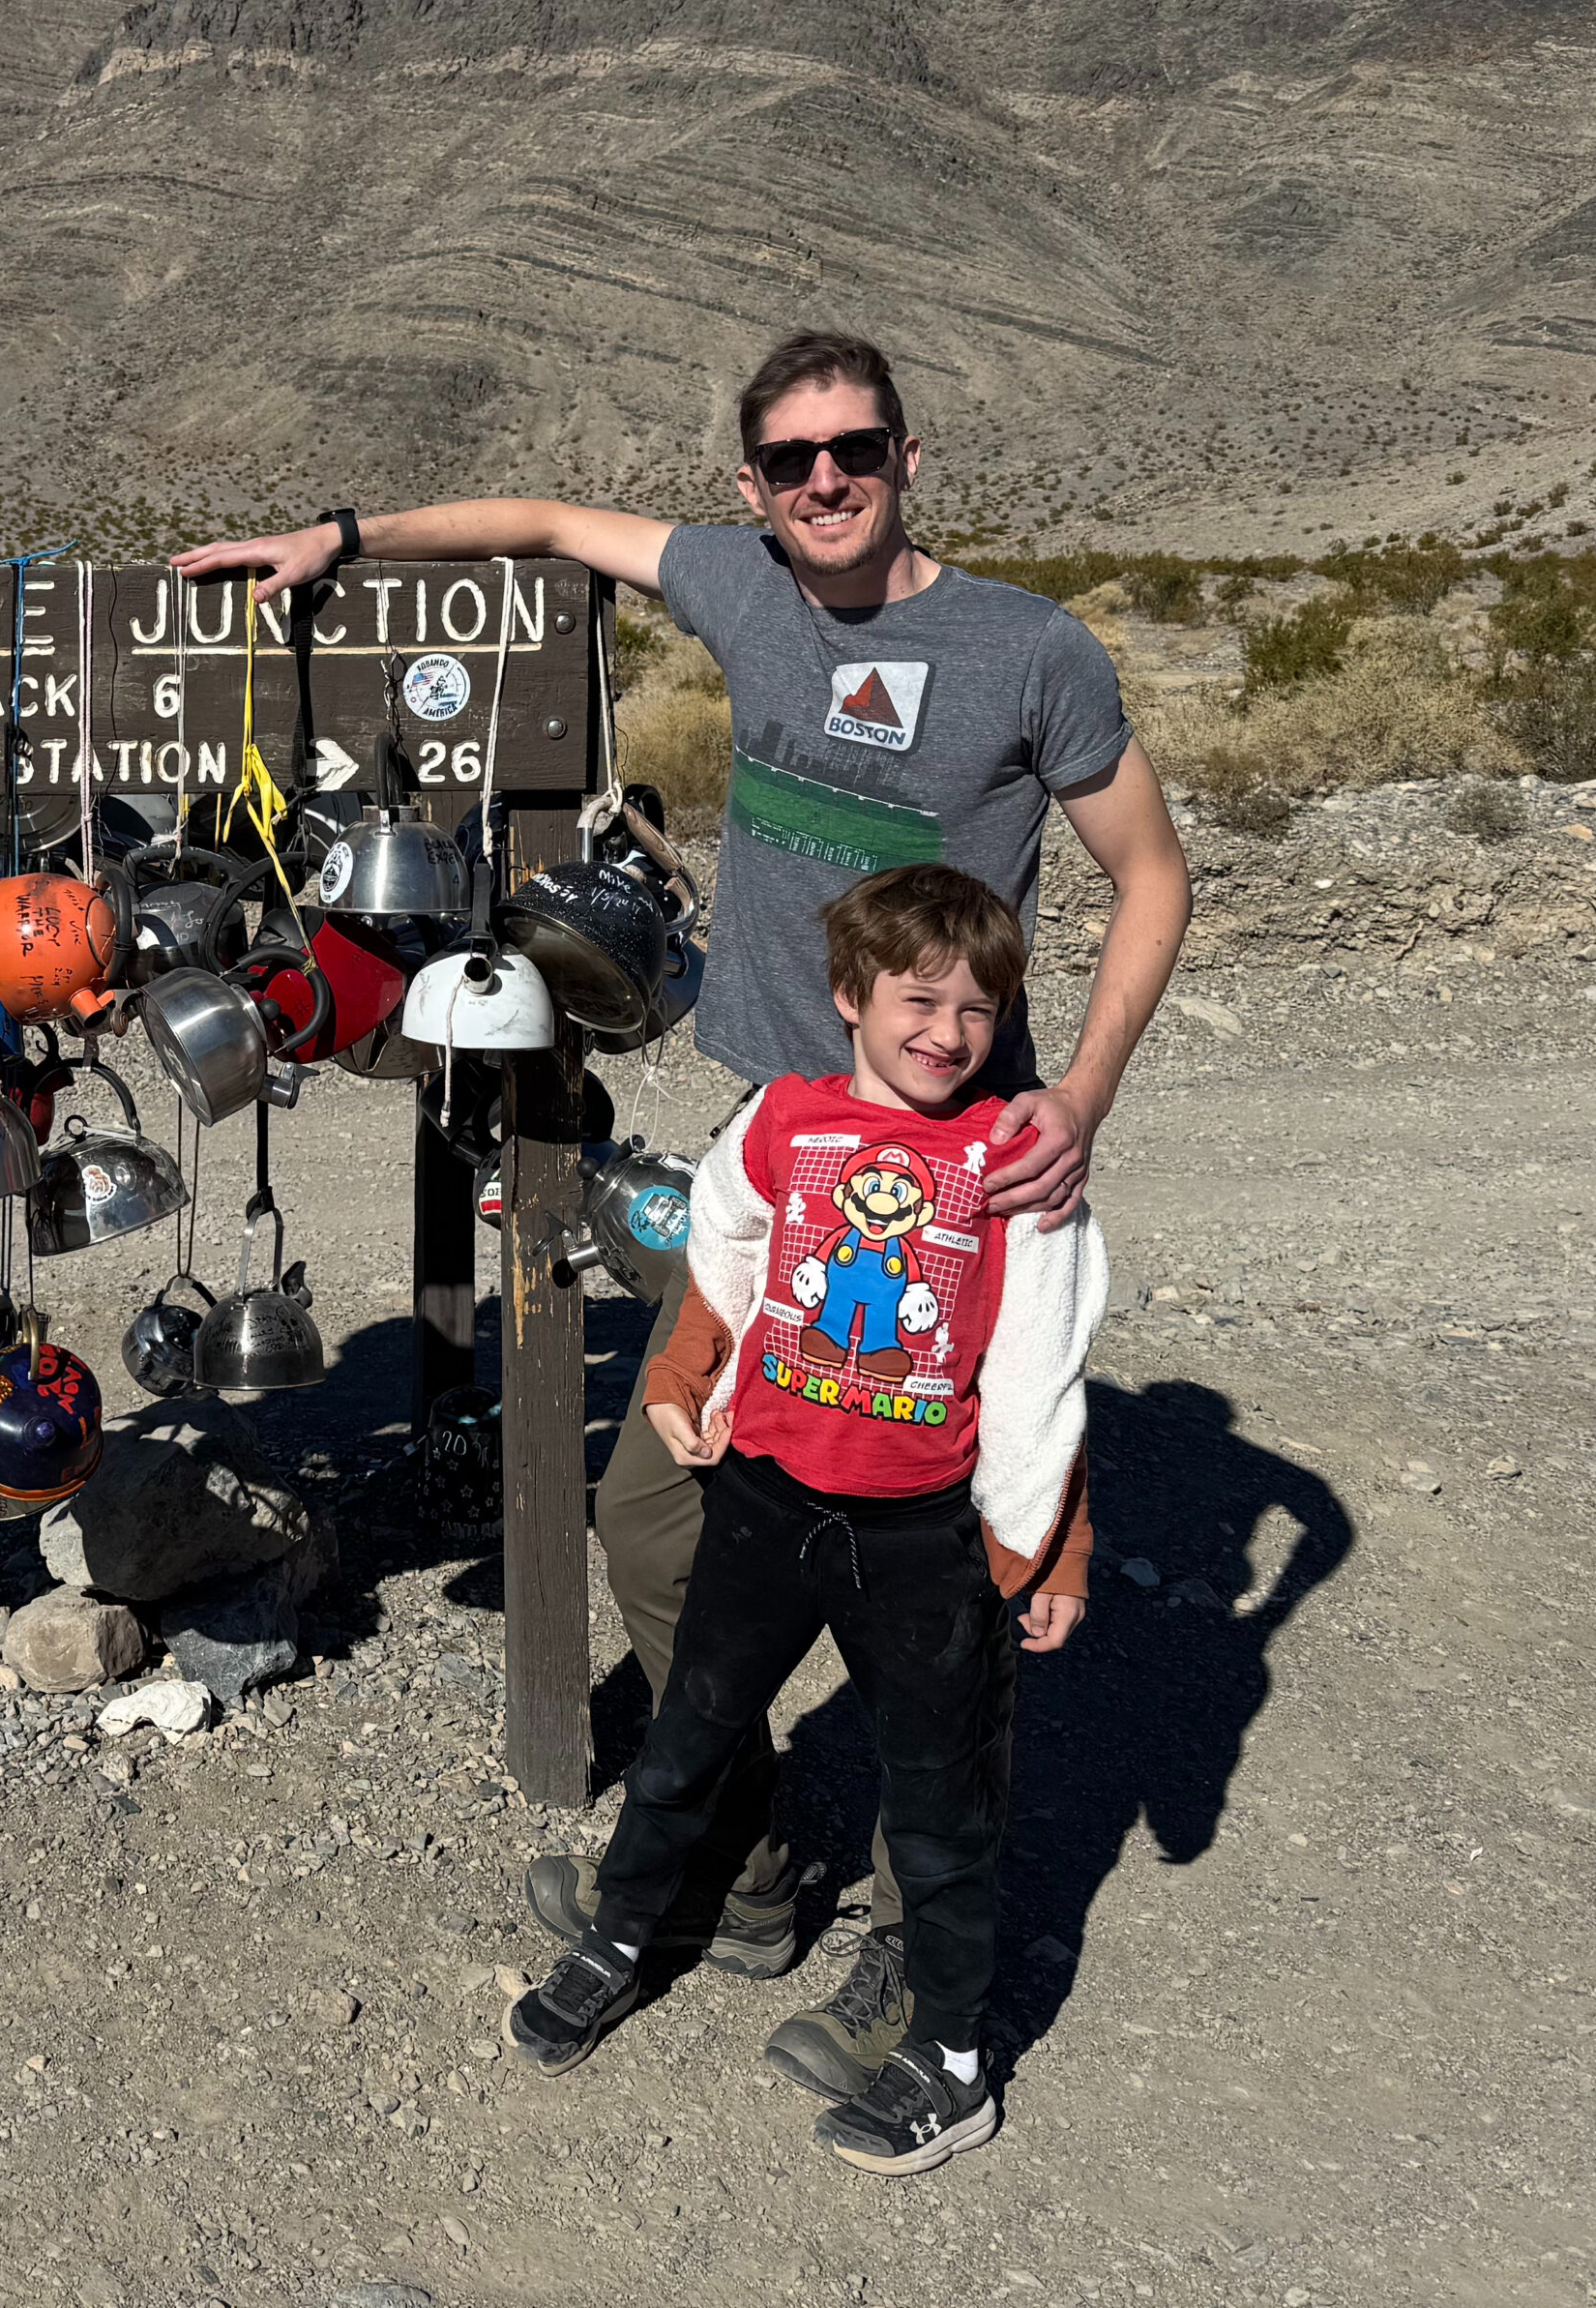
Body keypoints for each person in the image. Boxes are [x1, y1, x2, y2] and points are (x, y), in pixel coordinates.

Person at [173, 325, 1188, 2092]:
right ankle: (754, 1862)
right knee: (657, 1515)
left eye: (854, 448)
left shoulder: (1030, 649)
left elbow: (1154, 875)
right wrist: (338, 542)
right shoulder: (740, 582)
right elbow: (548, 524)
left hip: (952, 1177)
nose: (825, 481)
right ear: (749, 483)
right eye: (792, 459)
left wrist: (1080, 1100)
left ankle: (908, 1948)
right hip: (776, 1143)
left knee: (939, 1595)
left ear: (906, 454)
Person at [501, 867, 1107, 2175]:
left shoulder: (1012, 1163)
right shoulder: (785, 1119)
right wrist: (679, 1375)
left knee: (939, 1803)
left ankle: (951, 2058)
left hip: (921, 1536)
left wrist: (1052, 1538)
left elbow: (1045, 1356)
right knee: (689, 1737)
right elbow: (726, 1247)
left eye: (977, 1009)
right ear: (848, 997)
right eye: (918, 999)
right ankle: (626, 1929)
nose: (946, 1032)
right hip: (769, 1503)